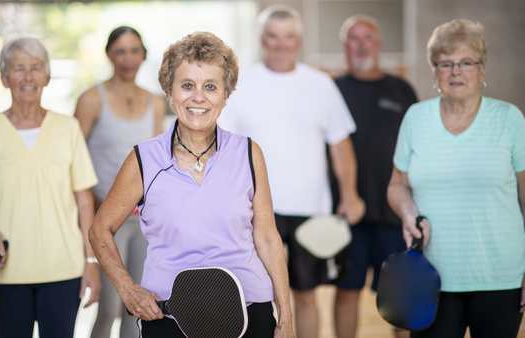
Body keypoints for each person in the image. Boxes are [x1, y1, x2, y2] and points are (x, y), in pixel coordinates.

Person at [89, 31, 295, 338]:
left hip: (250, 312)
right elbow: (100, 229)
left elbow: (266, 237)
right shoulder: (144, 159)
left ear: (226, 95)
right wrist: (129, 290)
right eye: (187, 85)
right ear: (169, 94)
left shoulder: (249, 154)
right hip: (169, 317)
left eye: (210, 86)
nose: (198, 97)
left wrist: (286, 318)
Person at [218, 6, 365, 338]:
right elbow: (225, 148)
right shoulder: (240, 86)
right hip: (254, 208)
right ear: (261, 39)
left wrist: (351, 194)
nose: (280, 44)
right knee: (255, 295)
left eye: (288, 37)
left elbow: (340, 146)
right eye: (273, 36)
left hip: (309, 208)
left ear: (298, 40)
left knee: (305, 294)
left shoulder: (320, 84)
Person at [387, 19, 525, 338]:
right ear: (434, 73)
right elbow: (397, 185)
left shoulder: (509, 119)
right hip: (428, 277)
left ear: (483, 70)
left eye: (466, 62)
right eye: (445, 63)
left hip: (500, 276)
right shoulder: (416, 118)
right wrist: (408, 213)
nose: (456, 71)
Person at [0, 35, 100, 338]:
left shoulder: (68, 128)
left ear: (47, 77)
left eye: (35, 68)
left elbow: (84, 201)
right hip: (6, 274)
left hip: (65, 271)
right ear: (3, 78)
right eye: (18, 68)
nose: (28, 76)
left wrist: (91, 262)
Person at [74, 26, 165, 338]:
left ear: (143, 55)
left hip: (142, 219)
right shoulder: (90, 99)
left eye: (134, 50)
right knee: (110, 307)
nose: (128, 58)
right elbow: (72, 160)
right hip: (106, 219)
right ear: (110, 55)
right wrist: (93, 203)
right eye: (121, 51)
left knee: (136, 307)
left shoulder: (155, 101)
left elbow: (155, 159)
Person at [332, 15, 417, 338]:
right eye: (354, 38)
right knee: (347, 289)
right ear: (345, 46)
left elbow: (417, 147)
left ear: (379, 44)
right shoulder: (333, 90)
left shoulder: (401, 89)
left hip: (394, 213)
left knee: (401, 296)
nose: (361, 44)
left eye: (368, 37)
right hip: (347, 213)